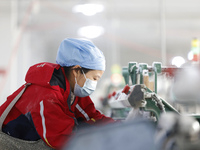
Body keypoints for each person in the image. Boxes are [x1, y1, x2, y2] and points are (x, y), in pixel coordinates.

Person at [0, 38, 115, 149]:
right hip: (10, 143)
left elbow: (92, 117)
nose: (94, 83)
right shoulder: (47, 95)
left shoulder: (73, 89)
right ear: (76, 71)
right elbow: (61, 140)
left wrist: (120, 127)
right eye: (94, 78)